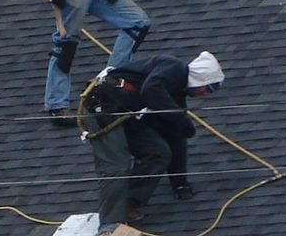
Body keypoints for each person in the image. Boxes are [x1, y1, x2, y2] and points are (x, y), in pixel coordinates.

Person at [80, 50, 224, 226]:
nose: (206, 94)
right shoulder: (175, 68)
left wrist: (180, 183)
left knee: (158, 152)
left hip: (126, 112)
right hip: (103, 107)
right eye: (210, 88)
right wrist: (180, 118)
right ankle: (110, 224)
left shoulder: (174, 96)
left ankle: (129, 202)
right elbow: (151, 89)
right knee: (117, 165)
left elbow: (175, 138)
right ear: (201, 79)